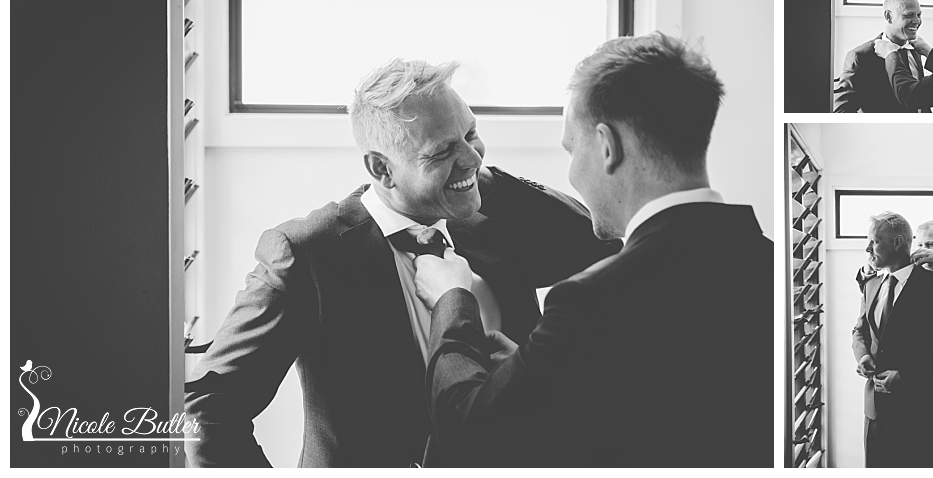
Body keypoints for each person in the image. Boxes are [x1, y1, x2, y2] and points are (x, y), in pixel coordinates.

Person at [183, 59, 621, 467]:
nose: (472, 155)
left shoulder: (495, 221)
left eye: (471, 133)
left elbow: (599, 249)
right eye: (441, 150)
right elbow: (209, 410)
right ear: (382, 169)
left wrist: (471, 176)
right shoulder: (308, 253)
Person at [413, 32, 773, 467]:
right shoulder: (774, 268)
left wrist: (453, 301)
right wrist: (538, 377)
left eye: (571, 149)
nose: (571, 174)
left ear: (607, 147)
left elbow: (471, 437)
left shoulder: (593, 303)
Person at [852, 212, 933, 467]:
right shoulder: (871, 285)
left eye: (874, 241)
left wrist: (907, 376)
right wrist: (863, 355)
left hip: (924, 413)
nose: (867, 248)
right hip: (876, 412)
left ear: (897, 242)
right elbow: (860, 331)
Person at [834, 0, 930, 113]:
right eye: (909, 15)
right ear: (888, 16)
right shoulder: (860, 57)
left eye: (919, 15)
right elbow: (842, 112)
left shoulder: (915, 50)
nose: (917, 21)